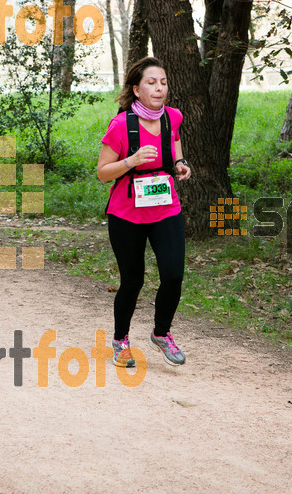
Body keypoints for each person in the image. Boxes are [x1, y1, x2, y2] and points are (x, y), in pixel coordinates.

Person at [96, 56, 191, 367]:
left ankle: (161, 334)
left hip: (165, 208)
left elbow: (174, 148)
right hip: (127, 214)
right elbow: (102, 172)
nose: (159, 88)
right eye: (151, 83)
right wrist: (131, 161)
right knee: (132, 280)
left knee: (174, 275)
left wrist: (179, 165)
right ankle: (120, 342)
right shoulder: (121, 125)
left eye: (163, 82)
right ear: (136, 90)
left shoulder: (172, 118)